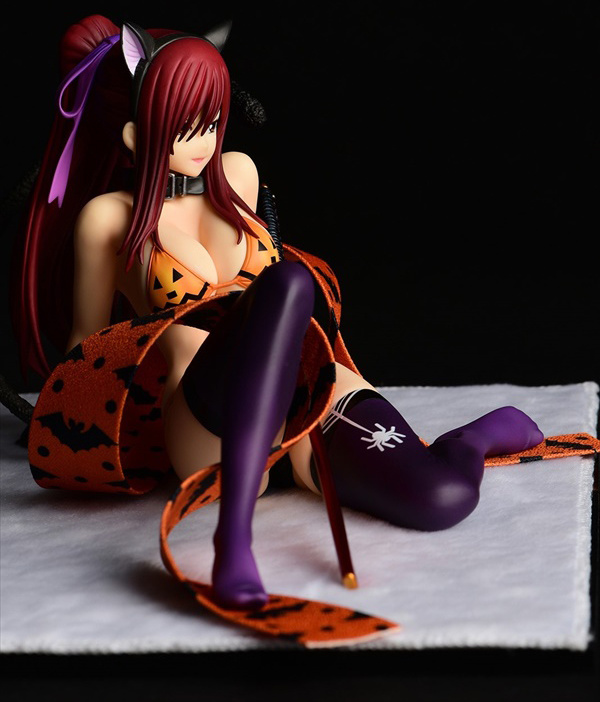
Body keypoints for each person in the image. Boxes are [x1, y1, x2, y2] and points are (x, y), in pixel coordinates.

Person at [11, 15, 544, 628]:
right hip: (207, 409)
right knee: (284, 286)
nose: (204, 142)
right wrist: (71, 427)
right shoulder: (109, 218)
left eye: (211, 121)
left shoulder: (238, 173)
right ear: (134, 133)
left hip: (308, 385)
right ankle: (232, 541)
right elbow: (87, 345)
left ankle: (472, 439)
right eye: (184, 126)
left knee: (440, 498)